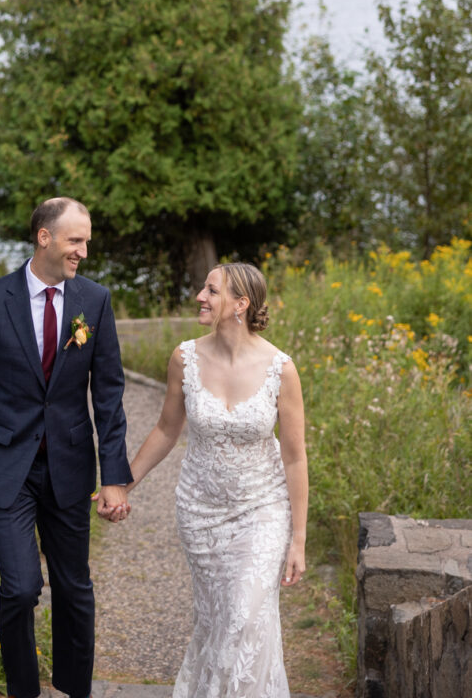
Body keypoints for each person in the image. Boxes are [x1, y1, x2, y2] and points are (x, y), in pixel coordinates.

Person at [0, 197, 132, 698]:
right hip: (6, 468)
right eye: (76, 240)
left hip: (69, 467)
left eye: (87, 242)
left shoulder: (95, 301)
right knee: (21, 587)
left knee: (74, 587)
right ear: (44, 237)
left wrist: (115, 477)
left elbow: (109, 396)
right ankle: (23, 691)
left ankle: (74, 689)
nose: (83, 252)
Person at [128, 262, 308, 697]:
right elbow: (166, 430)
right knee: (217, 621)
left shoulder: (280, 369)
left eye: (211, 291)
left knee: (245, 618)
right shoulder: (184, 358)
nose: (200, 298)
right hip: (200, 512)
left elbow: (294, 458)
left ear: (240, 304)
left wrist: (298, 539)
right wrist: (122, 483)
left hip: (262, 508)